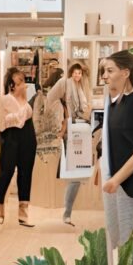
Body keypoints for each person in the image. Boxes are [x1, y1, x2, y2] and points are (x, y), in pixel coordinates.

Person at [100, 50, 133, 251]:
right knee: (118, 240)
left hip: (131, 183)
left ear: (126, 73)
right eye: (104, 71)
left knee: (132, 245)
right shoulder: (113, 102)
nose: (105, 75)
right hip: (114, 182)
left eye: (110, 70)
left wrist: (117, 178)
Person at [47, 63, 90, 226]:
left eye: (80, 73)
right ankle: (67, 213)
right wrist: (63, 118)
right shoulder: (64, 84)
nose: (77, 76)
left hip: (79, 129)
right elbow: (51, 99)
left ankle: (67, 212)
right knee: (74, 175)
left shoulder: (80, 88)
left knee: (76, 175)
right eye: (76, 73)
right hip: (69, 132)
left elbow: (84, 107)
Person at [0, 67, 37, 227]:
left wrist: (25, 103)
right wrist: (24, 106)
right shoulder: (6, 99)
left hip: (28, 138)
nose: (23, 85)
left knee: (26, 174)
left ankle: (23, 213)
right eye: (20, 83)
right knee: (7, 171)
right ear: (12, 85)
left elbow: (24, 119)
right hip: (11, 138)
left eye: (23, 82)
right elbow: (12, 121)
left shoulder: (26, 101)